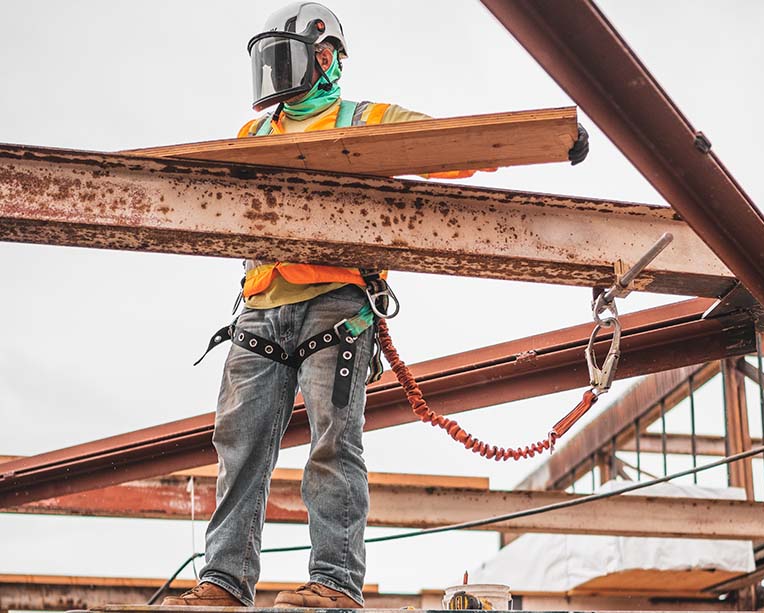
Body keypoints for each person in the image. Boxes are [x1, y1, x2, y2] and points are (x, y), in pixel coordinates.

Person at [162, 2, 589, 609]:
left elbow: (450, 147)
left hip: (335, 307)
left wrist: (544, 141)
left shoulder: (367, 121)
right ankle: (225, 584)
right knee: (240, 445)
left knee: (335, 443)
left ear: (325, 57)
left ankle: (334, 584)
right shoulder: (254, 135)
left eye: (286, 57)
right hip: (260, 308)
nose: (275, 74)